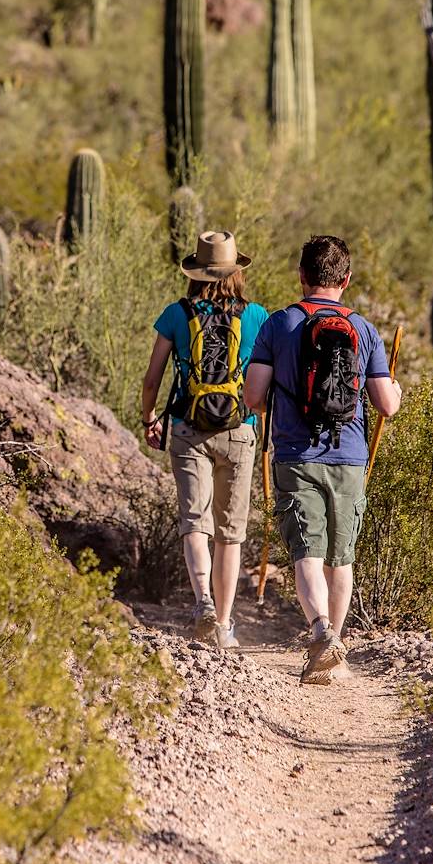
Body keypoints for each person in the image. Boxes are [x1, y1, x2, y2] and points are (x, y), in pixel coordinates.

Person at [245, 235, 401, 684]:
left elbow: (254, 398)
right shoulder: (364, 329)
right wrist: (397, 393)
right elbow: (386, 405)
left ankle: (320, 634)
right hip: (350, 457)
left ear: (302, 276)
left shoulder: (278, 325)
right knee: (341, 557)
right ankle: (333, 648)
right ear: (346, 279)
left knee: (306, 554)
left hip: (295, 455)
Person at [140, 231, 270, 651]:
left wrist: (149, 418)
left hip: (187, 427)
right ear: (236, 272)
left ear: (195, 272)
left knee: (195, 521)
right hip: (239, 428)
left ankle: (203, 604)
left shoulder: (176, 315)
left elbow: (152, 377)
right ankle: (226, 626)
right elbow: (267, 379)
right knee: (230, 532)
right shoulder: (256, 317)